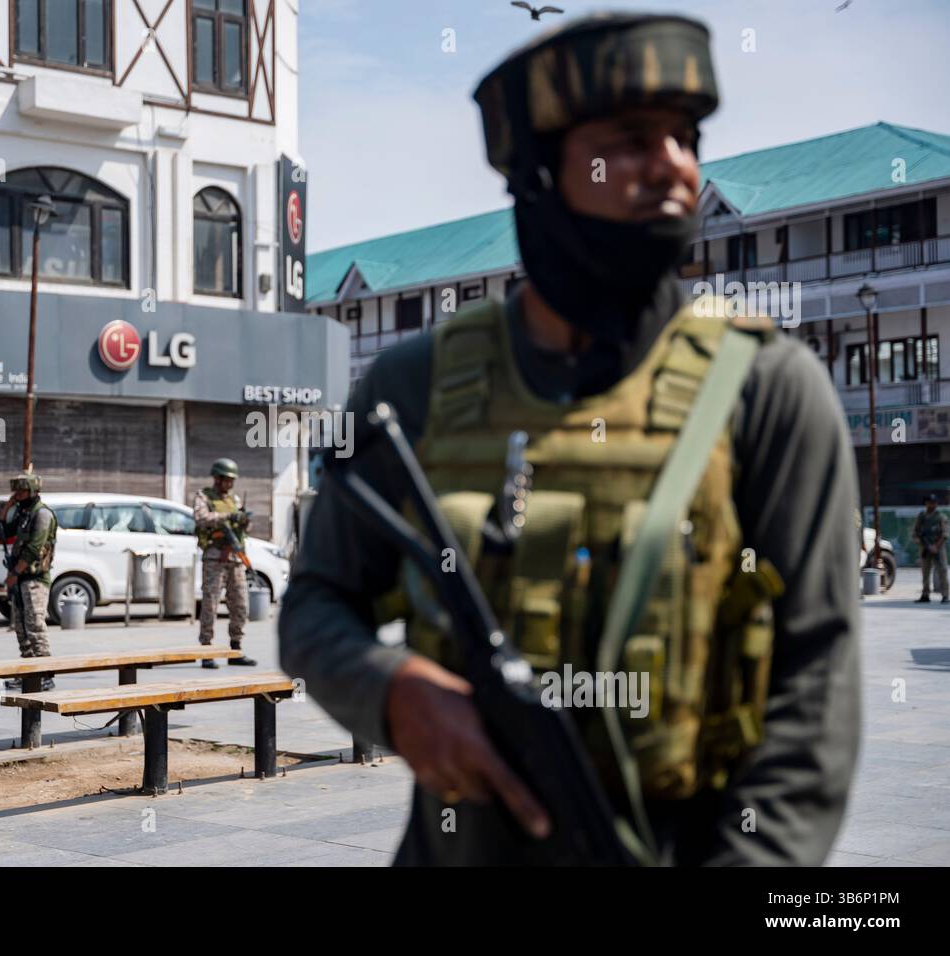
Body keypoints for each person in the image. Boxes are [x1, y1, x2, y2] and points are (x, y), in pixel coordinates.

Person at [279, 12, 861, 865]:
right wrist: (391, 690)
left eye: (684, 137)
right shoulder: (416, 386)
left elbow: (816, 682)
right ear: (542, 172)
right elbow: (317, 604)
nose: (673, 165)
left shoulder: (767, 388)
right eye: (629, 140)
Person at [0, 471, 58, 689]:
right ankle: (28, 672)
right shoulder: (24, 513)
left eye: (21, 491)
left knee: (35, 625)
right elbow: (1, 532)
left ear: (32, 491)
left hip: (35, 579)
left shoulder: (42, 515)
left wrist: (14, 574)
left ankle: (45, 675)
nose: (17, 495)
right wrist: (8, 505)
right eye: (15, 492)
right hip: (21, 578)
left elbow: (34, 549)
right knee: (21, 627)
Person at [194, 458, 257, 668]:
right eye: (227, 479)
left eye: (232, 480)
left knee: (240, 605)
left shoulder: (235, 500)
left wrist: (244, 521)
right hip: (214, 557)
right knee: (210, 605)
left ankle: (235, 649)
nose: (230, 484)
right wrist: (228, 516)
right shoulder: (204, 497)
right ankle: (206, 651)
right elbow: (201, 518)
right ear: (217, 478)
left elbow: (244, 529)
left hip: (235, 559)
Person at [914, 494, 948, 603]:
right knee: (925, 572)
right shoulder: (921, 517)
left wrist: (935, 546)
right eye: (929, 502)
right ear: (926, 503)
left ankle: (945, 595)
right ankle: (925, 594)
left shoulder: (940, 517)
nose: (931, 504)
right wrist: (922, 543)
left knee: (942, 570)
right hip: (925, 548)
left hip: (938, 547)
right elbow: (915, 533)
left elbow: (945, 534)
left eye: (934, 502)